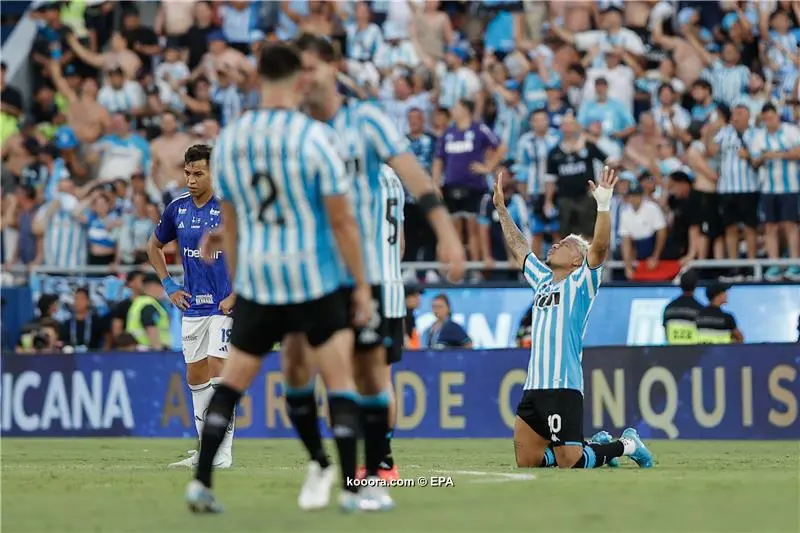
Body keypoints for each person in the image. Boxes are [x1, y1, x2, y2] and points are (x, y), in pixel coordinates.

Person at [184, 42, 371, 515]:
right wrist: (362, 285)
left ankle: (201, 483)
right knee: (338, 380)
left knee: (231, 383)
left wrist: (239, 278)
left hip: (260, 282)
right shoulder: (314, 139)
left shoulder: (233, 140)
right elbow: (343, 222)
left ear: (258, 79)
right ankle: (351, 489)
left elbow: (233, 220)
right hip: (312, 279)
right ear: (300, 80)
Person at [289, 33, 465, 512]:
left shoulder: (352, 140)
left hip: (355, 280)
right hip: (383, 278)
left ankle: (360, 471)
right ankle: (376, 464)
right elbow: (403, 237)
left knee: (344, 377)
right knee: (373, 380)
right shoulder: (381, 170)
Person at [493, 165, 652, 470]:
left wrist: (603, 205)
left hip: (563, 385)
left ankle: (627, 444)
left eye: (564, 244)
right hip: (534, 387)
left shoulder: (582, 282)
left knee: (570, 462)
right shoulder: (541, 278)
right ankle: (596, 446)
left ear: (577, 258)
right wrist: (501, 209)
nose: (555, 244)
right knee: (528, 462)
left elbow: (601, 246)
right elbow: (519, 246)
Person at [147, 144, 236, 470]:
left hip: (222, 305)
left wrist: (237, 295)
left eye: (199, 173)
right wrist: (169, 286)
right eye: (188, 173)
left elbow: (251, 249)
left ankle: (222, 453)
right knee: (195, 377)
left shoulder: (228, 208)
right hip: (192, 307)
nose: (191, 179)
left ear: (214, 173)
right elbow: (153, 246)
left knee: (218, 371)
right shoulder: (177, 208)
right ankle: (204, 450)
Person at [125, 273, 172, 350]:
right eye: (162, 286)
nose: (163, 290)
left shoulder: (139, 302)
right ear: (153, 286)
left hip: (138, 350)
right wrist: (158, 350)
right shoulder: (149, 305)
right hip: (149, 351)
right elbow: (151, 328)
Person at [662, 270, 704, 345]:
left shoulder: (669, 307)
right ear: (695, 286)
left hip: (672, 350)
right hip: (693, 352)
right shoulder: (700, 309)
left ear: (680, 285)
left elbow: (666, 332)